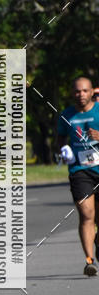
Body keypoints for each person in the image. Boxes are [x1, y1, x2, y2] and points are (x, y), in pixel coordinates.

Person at [56, 76, 99, 277]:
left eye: (84, 91)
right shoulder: (67, 115)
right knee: (86, 214)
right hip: (79, 171)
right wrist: (64, 149)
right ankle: (89, 261)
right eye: (77, 91)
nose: (80, 95)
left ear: (92, 92)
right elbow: (60, 138)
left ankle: (96, 239)